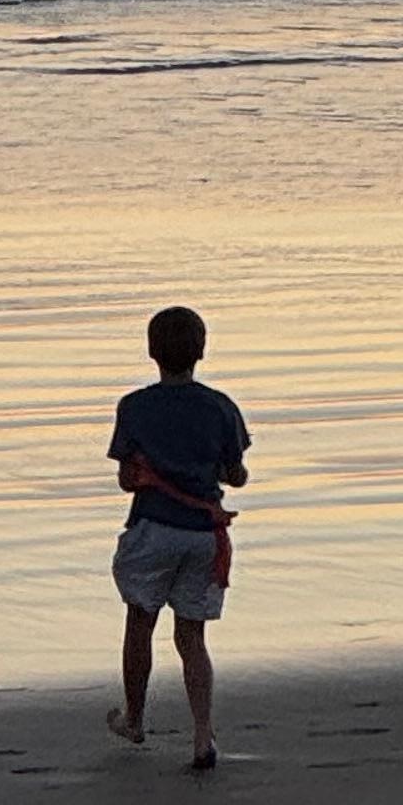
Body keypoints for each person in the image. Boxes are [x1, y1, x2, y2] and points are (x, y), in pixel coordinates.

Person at [104, 303, 250, 772]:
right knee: (192, 636)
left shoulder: (134, 407)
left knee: (140, 624)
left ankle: (135, 717)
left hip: (152, 528)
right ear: (202, 350)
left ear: (151, 352)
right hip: (203, 534)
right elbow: (237, 474)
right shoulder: (221, 407)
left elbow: (128, 479)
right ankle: (202, 735)